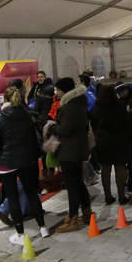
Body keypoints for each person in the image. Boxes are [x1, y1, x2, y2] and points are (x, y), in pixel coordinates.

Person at [0, 87, 48, 244]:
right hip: (28, 160)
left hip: (6, 163)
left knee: (12, 198)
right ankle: (43, 227)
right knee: (32, 193)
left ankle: (20, 234)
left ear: (4, 100)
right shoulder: (28, 115)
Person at [52, 78, 91, 233]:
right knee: (78, 183)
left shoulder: (70, 107)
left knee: (72, 185)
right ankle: (86, 213)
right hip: (77, 149)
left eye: (57, 90)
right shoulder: (79, 103)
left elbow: (65, 130)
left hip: (69, 151)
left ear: (65, 91)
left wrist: (53, 127)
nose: (55, 93)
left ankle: (73, 218)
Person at [91, 85, 130, 205]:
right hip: (118, 141)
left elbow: (93, 124)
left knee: (105, 169)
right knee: (120, 168)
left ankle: (108, 196)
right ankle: (122, 196)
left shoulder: (96, 108)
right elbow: (126, 123)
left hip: (103, 142)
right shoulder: (120, 106)